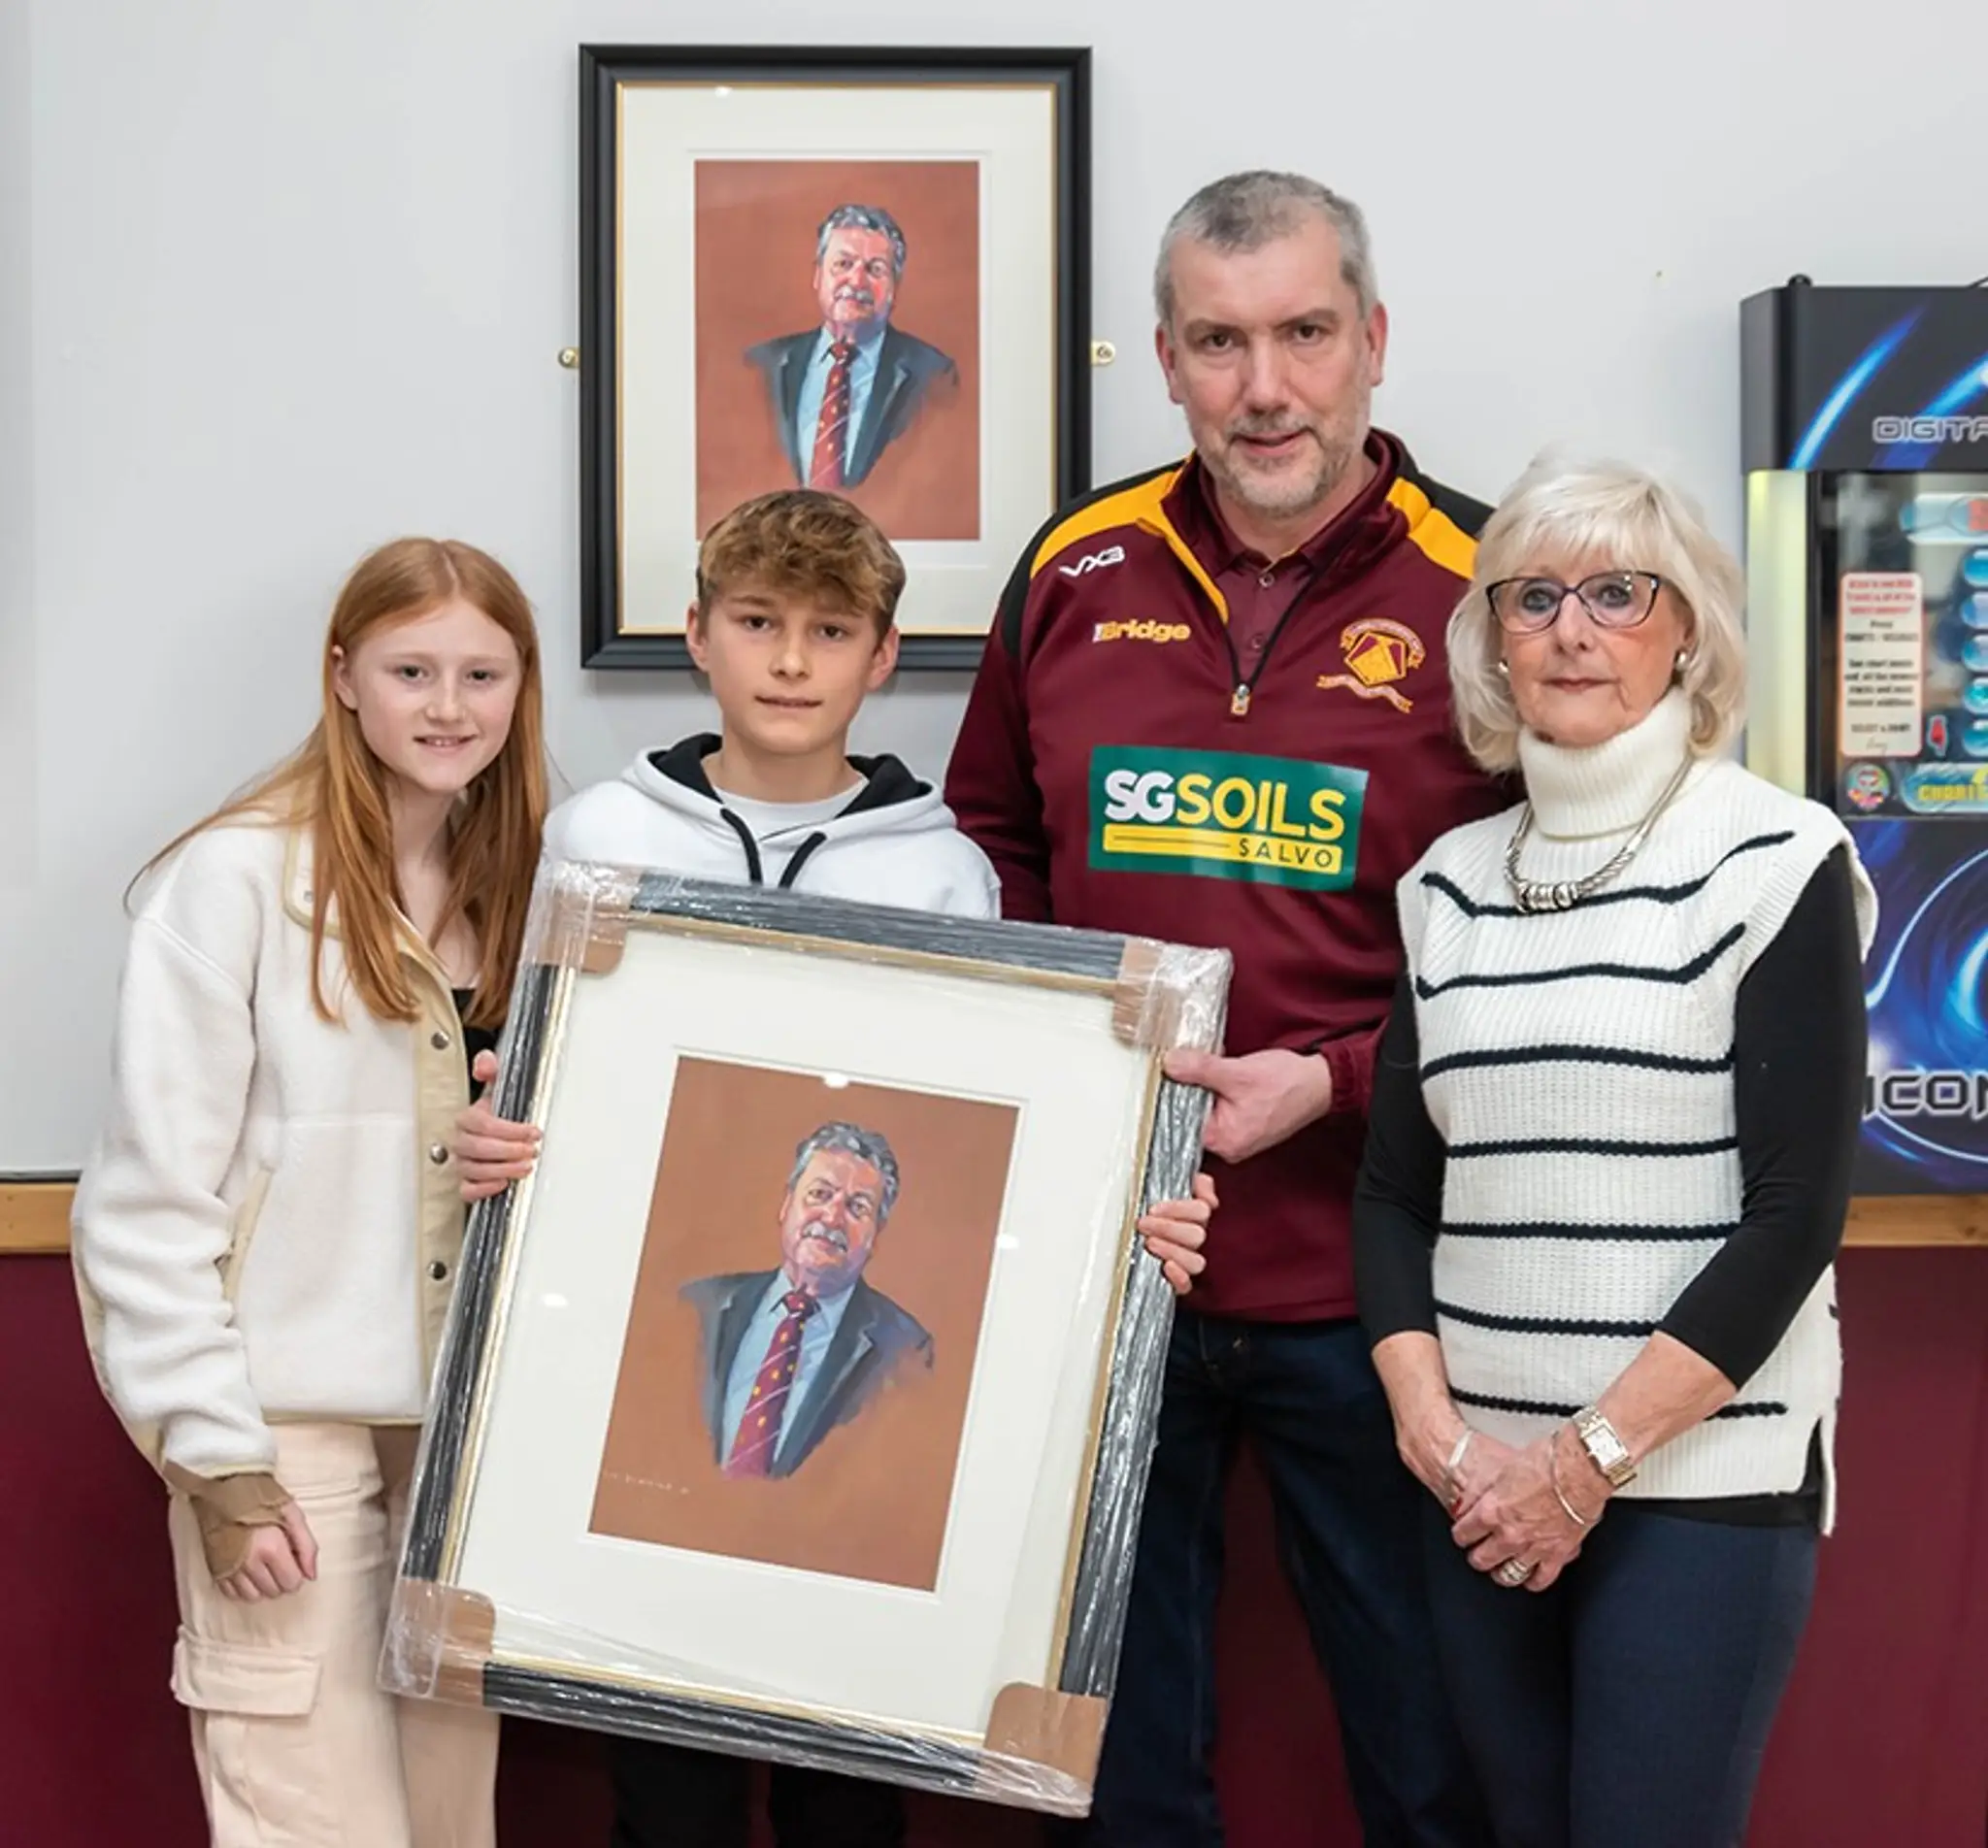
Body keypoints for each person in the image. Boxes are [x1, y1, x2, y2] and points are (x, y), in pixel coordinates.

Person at [450, 487, 1212, 1848]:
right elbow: (540, 1087)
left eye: (828, 628)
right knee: (663, 1792)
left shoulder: (940, 874)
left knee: (845, 1800)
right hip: (644, 1410)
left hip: (860, 1462)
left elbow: (1006, 1128)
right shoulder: (601, 845)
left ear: (882, 654)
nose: (790, 661)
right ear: (697, 634)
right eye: (757, 623)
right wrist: (504, 1132)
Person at [945, 170, 1501, 1847]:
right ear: (1167, 360)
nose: (1265, 387)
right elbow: (987, 848)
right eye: (1218, 342)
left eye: (1303, 335)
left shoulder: (1486, 591)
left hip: (1383, 1288)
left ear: (1372, 342)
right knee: (1111, 1762)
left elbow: (1548, 949)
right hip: (1113, 1268)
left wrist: (1329, 1084)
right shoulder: (1069, 565)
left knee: (1428, 1745)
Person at [1352, 456, 1875, 1848]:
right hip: (1476, 1489)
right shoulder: (1447, 887)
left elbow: (1794, 1217)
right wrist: (1442, 1440)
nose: (1573, 629)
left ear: (1686, 628)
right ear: (1494, 641)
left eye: (1617, 593)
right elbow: (1397, 1193)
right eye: (1534, 598)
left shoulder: (1776, 858)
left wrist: (1583, 1464)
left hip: (1700, 1486)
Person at [70, 537, 548, 1848]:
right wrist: (216, 1461)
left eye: (481, 674)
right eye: (410, 670)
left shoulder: (525, 893)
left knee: (450, 1819)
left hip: (463, 1439)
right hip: (285, 1434)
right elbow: (144, 1206)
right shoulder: (229, 882)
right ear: (343, 679)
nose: (448, 707)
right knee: (311, 1818)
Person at [685, 1120, 932, 1479]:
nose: (832, 1217)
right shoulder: (695, 1307)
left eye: (857, 1207)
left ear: (875, 1235)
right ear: (787, 1205)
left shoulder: (908, 1353)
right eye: (820, 1194)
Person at [747, 204, 959, 491]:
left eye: (875, 269)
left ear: (894, 288)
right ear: (818, 276)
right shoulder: (761, 366)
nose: (857, 281)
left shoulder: (935, 377)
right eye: (843, 264)